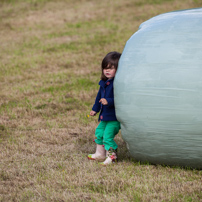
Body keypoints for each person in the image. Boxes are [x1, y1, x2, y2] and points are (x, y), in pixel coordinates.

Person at [88, 51, 121, 165]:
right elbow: (99, 98)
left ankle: (112, 156)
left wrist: (109, 101)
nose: (107, 70)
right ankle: (100, 154)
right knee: (99, 132)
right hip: (104, 116)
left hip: (114, 118)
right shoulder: (104, 83)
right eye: (105, 68)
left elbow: (121, 99)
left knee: (107, 136)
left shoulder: (118, 84)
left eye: (111, 68)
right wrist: (95, 109)